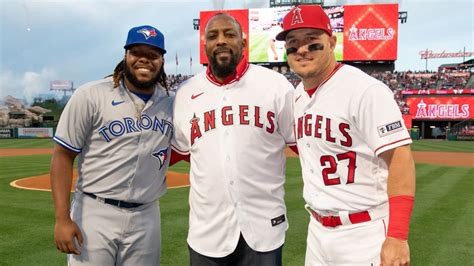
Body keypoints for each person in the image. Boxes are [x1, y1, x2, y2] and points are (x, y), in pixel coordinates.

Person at [276, 5, 416, 265]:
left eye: (312, 41)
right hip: (317, 231)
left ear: (331, 42)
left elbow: (399, 158)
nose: (302, 49)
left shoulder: (365, 90)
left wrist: (397, 236)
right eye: (293, 44)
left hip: (364, 231)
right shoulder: (296, 96)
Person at [171, 13, 296, 265]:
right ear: (205, 45)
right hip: (208, 233)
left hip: (264, 229)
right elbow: (181, 151)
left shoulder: (276, 85)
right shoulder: (185, 93)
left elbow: (302, 145)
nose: (221, 41)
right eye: (213, 36)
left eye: (229, 34)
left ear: (244, 43)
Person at [50, 25, 174, 265]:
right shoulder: (90, 95)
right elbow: (62, 155)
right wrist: (62, 219)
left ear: (161, 60)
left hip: (147, 215)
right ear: (125, 55)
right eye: (137, 52)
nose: (144, 59)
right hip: (95, 212)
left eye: (153, 54)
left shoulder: (171, 102)